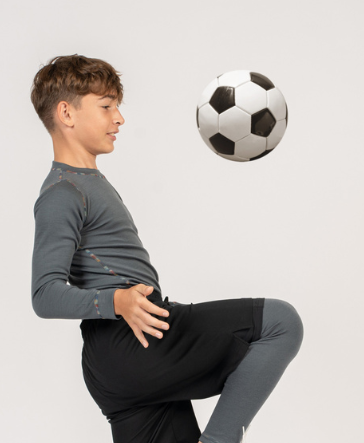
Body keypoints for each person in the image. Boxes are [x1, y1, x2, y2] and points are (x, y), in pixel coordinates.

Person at [30, 54, 303, 443]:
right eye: (106, 106)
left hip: (120, 363)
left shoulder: (85, 182)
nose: (119, 118)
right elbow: (44, 294)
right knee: (280, 322)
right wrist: (118, 303)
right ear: (66, 114)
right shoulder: (63, 192)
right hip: (133, 342)